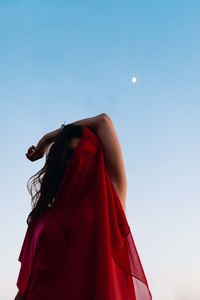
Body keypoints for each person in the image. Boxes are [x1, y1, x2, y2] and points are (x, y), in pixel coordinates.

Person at [14, 113, 152, 300]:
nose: (77, 162)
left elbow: (103, 121)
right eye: (70, 155)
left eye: (84, 154)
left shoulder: (109, 204)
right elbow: (26, 285)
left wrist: (48, 138)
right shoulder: (43, 217)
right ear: (59, 162)